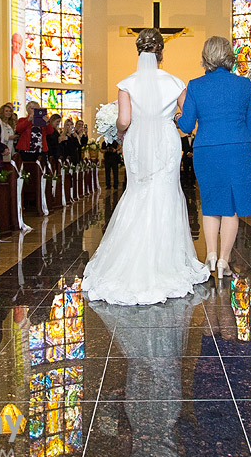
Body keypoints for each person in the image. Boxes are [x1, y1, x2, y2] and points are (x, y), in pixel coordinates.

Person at [82, 28, 209, 304]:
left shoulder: (127, 84)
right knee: (165, 194)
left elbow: (125, 121)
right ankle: (168, 261)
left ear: (138, 51)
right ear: (161, 51)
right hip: (166, 140)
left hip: (137, 141)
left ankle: (132, 259)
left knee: (138, 193)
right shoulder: (175, 82)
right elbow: (189, 118)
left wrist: (117, 128)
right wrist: (173, 119)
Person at [177, 35, 251, 280]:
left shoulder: (195, 85)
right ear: (229, 55)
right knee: (231, 208)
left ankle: (210, 256)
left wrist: (176, 116)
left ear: (205, 56)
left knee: (211, 204)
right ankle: (224, 260)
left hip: (207, 149)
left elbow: (187, 124)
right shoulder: (244, 85)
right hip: (237, 149)